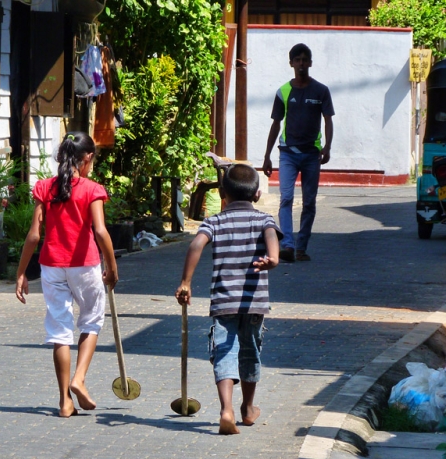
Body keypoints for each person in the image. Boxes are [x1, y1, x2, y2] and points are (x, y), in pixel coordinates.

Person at [15, 131, 119, 418]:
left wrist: (22, 272)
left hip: (51, 266)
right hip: (84, 265)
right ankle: (79, 379)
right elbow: (100, 231)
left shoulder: (44, 188)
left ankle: (64, 401)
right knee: (92, 321)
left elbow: (34, 235)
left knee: (60, 330)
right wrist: (112, 267)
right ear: (87, 158)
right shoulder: (91, 189)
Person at [175, 163, 281, 435]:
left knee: (224, 350)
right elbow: (272, 237)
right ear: (257, 194)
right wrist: (273, 258)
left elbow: (196, 244)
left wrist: (186, 282)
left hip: (223, 301)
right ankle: (248, 408)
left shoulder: (214, 221)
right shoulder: (264, 219)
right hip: (254, 302)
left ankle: (227, 410)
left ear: (223, 194)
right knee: (250, 351)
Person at [262, 43, 334, 262]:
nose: (301, 64)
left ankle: (301, 246)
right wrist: (266, 155)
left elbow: (328, 120)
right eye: (297, 60)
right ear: (291, 63)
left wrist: (327, 147)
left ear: (310, 63)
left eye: (305, 60)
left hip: (312, 154)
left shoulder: (321, 90)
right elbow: (276, 124)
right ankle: (288, 245)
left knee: (309, 202)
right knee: (286, 198)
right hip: (288, 154)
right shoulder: (283, 91)